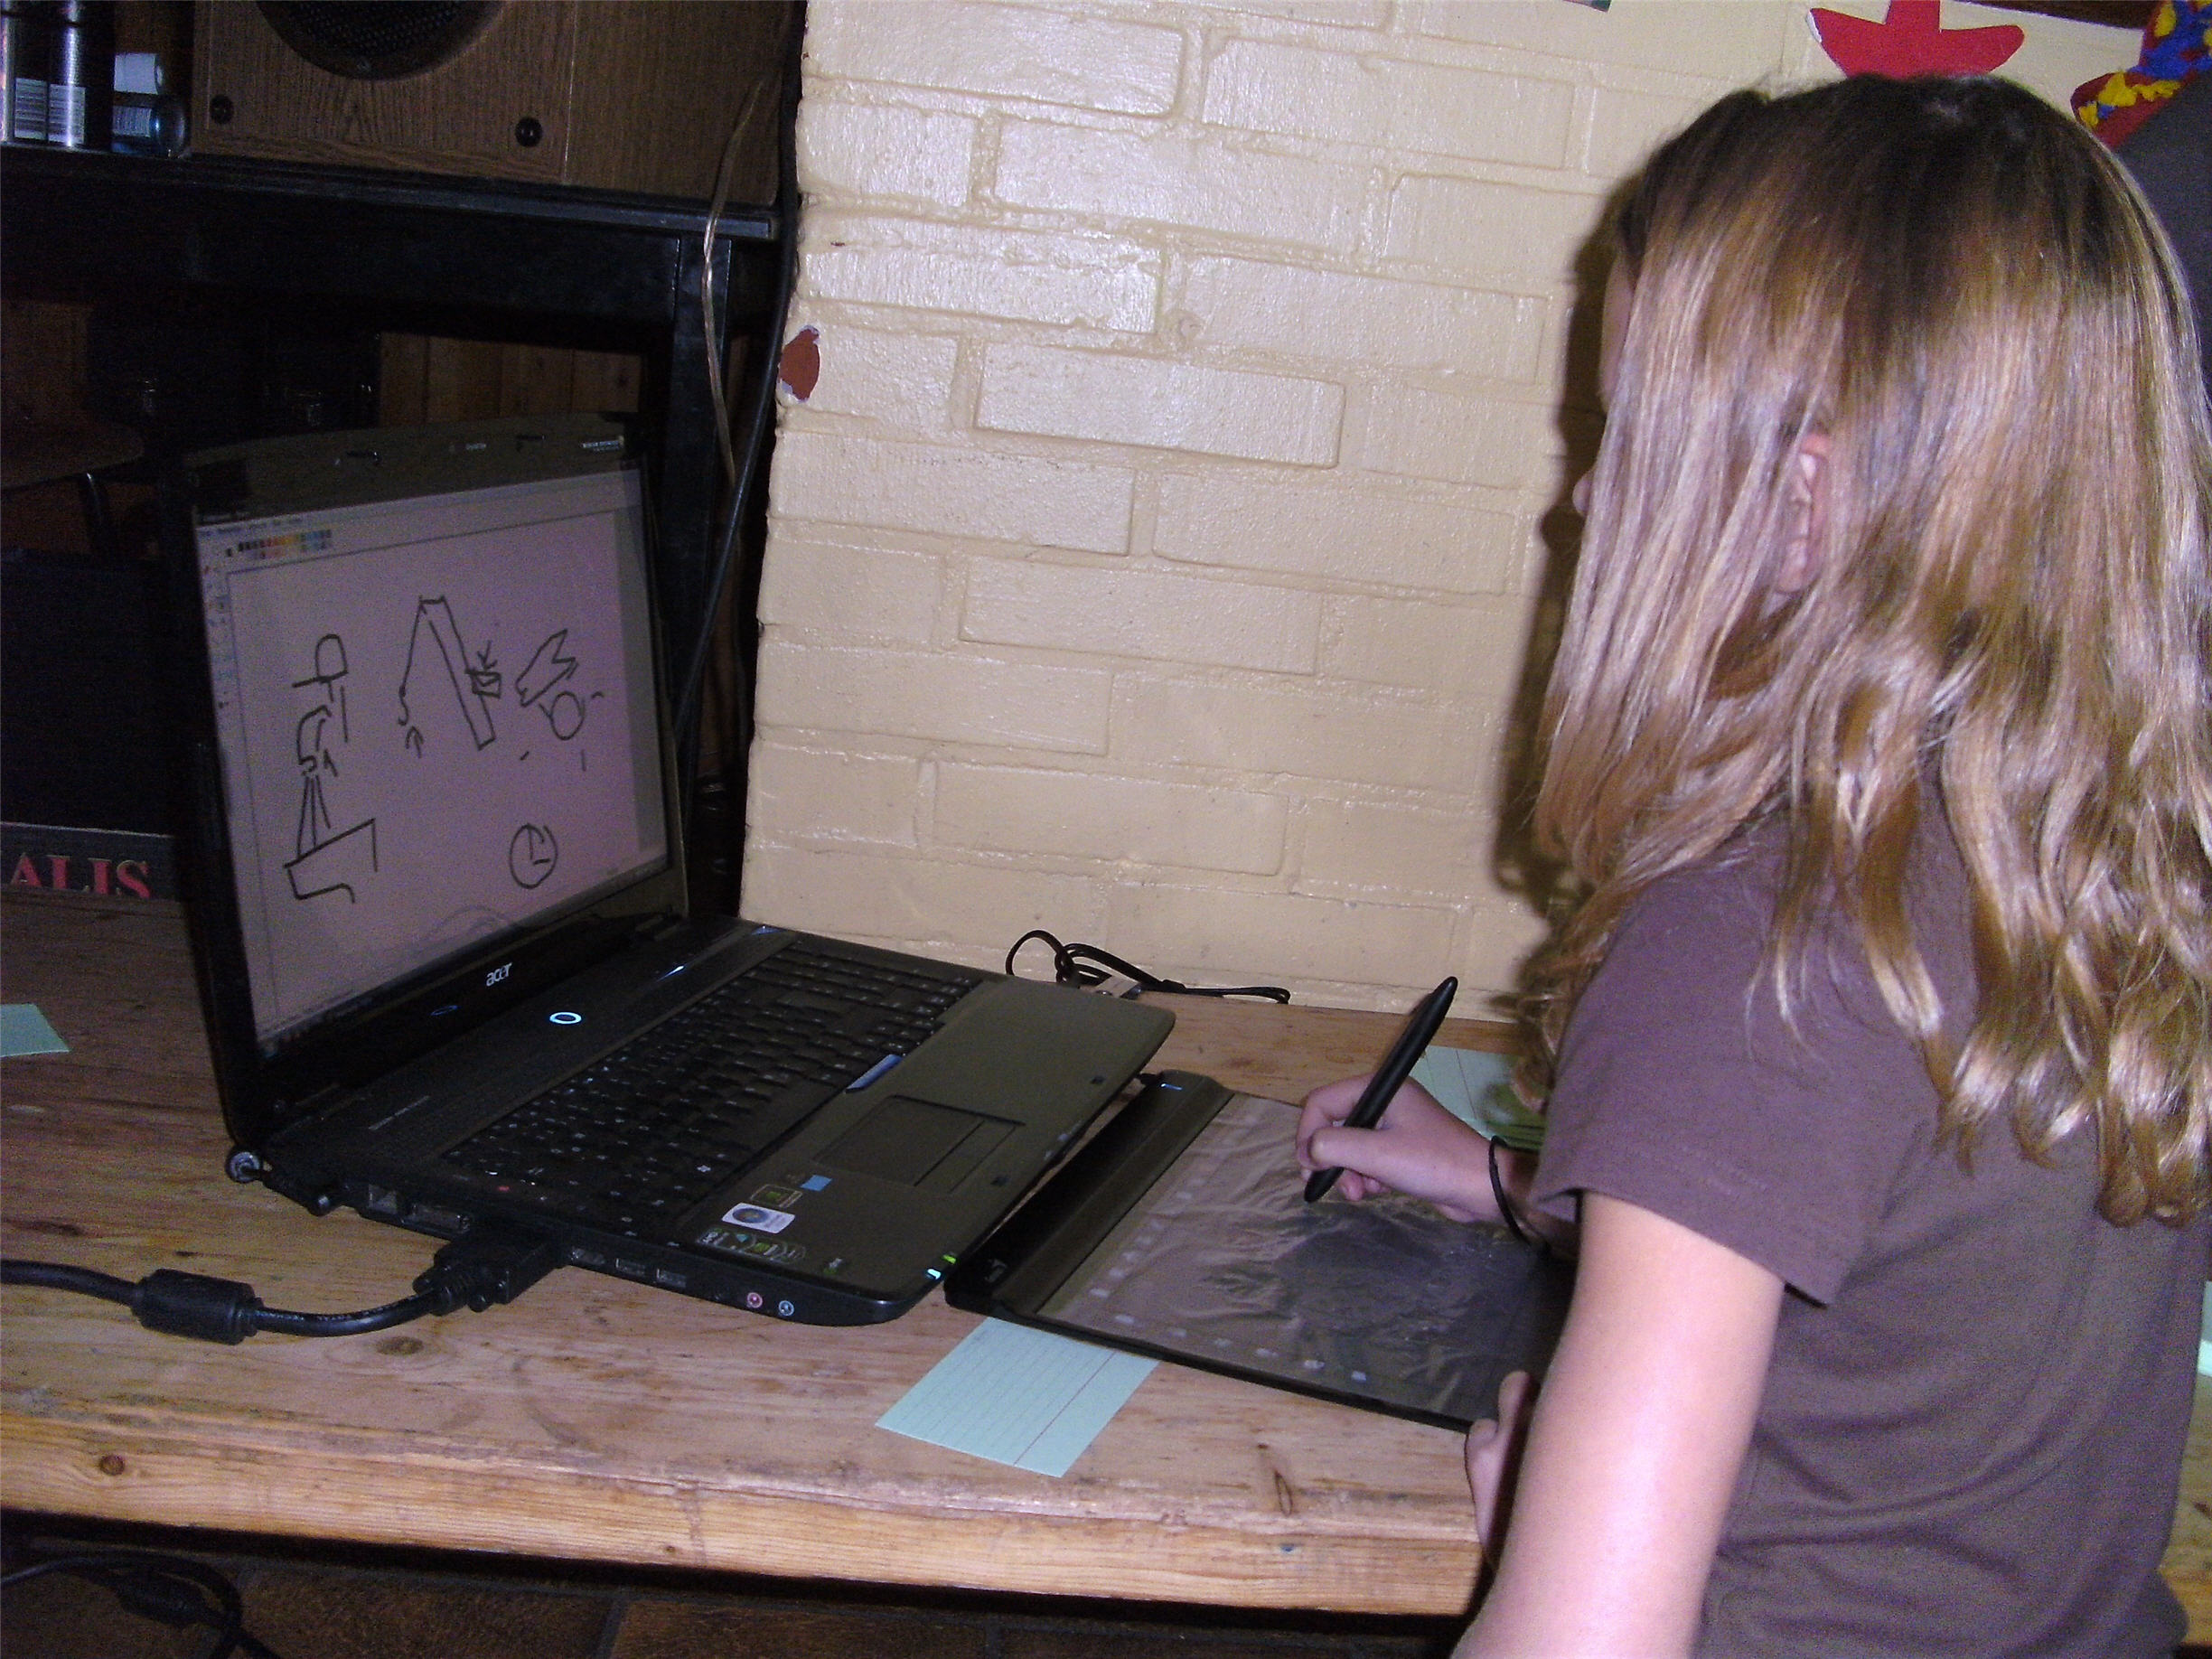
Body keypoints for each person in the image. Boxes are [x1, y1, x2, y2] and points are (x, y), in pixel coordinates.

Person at [1297, 75, 2211, 1658]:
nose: (1584, 498)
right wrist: (1525, 1187)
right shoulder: (2102, 859)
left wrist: (1536, 1549)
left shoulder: (1750, 941)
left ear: (1802, 500)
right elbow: (1918, 1277)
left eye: (1625, 436)